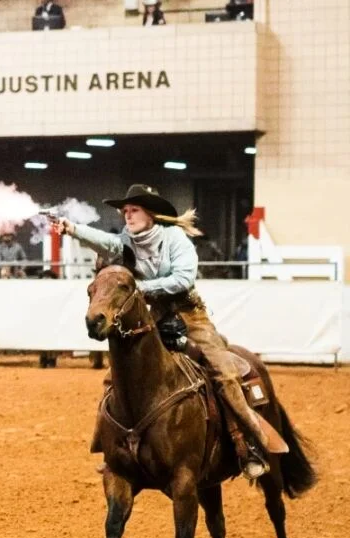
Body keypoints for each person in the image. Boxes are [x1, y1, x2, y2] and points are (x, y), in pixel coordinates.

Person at [53, 184, 286, 480]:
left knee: (222, 371)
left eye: (133, 210)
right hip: (155, 316)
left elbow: (183, 278)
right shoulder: (126, 240)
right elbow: (106, 241)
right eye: (125, 211)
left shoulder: (175, 239)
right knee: (117, 375)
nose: (128, 215)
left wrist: (140, 289)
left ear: (150, 213)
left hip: (191, 316)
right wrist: (71, 228)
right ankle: (110, 447)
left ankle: (249, 443)